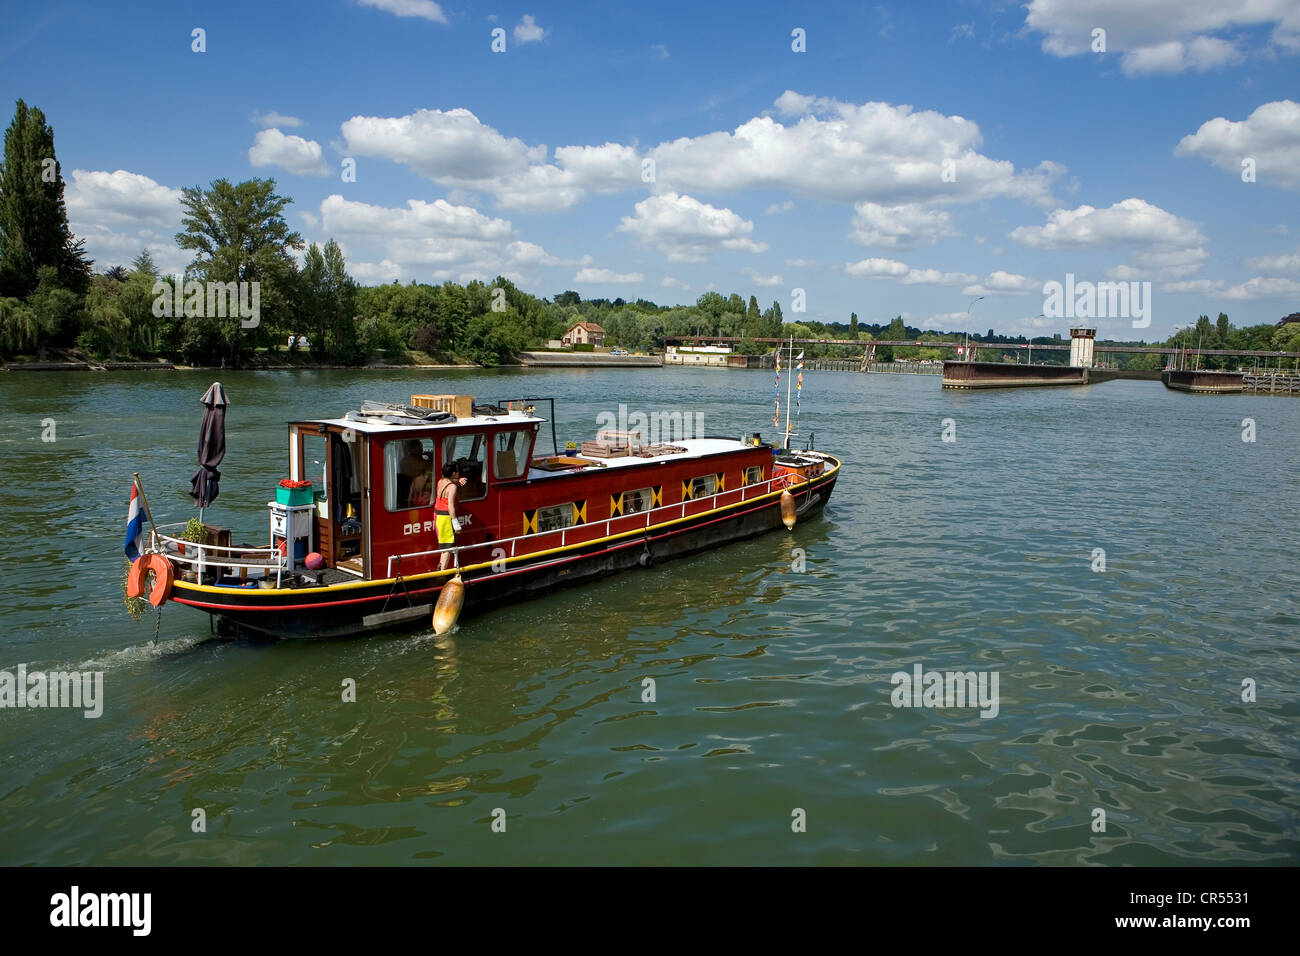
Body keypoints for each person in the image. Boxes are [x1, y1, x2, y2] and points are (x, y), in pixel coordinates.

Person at [434, 462, 470, 571]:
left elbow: (448, 483)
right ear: (454, 473)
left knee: (443, 544)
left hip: (437, 515)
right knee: (448, 547)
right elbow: (450, 506)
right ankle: (442, 574)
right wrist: (455, 523)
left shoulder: (440, 481)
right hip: (446, 517)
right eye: (457, 472)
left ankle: (440, 567)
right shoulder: (452, 487)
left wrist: (457, 481)